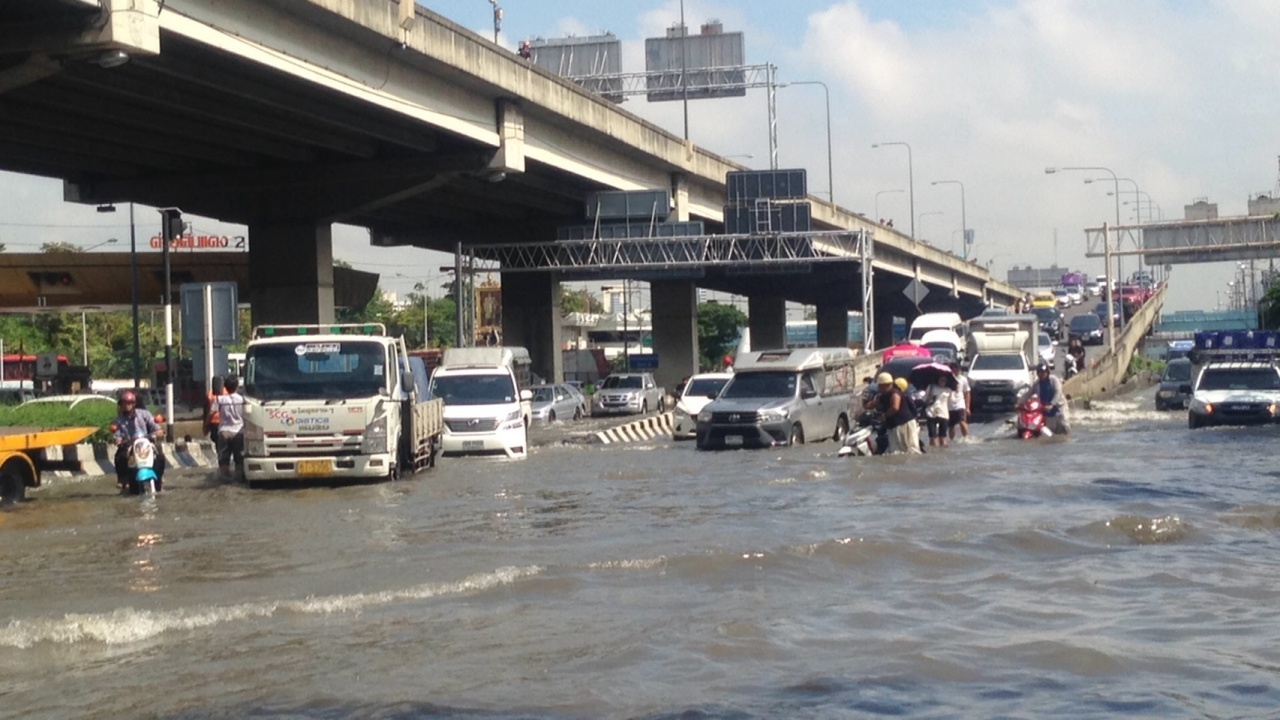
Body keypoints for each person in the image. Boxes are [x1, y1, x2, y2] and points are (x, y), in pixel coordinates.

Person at [112, 389, 167, 493]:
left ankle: (159, 476)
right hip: (129, 446)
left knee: (160, 454)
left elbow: (154, 425)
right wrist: (118, 440)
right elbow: (117, 434)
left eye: (130, 403)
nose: (127, 405)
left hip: (146, 443)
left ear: (134, 404)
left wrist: (158, 431)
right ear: (121, 405)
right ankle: (123, 480)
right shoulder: (119, 420)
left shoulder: (144, 414)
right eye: (125, 403)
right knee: (119, 457)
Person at [864, 372, 920, 455]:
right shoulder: (883, 395)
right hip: (894, 425)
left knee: (906, 450)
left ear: (886, 385)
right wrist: (864, 405)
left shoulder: (894, 393)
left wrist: (884, 416)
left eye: (880, 385)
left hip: (903, 424)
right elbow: (873, 404)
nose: (879, 387)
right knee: (897, 451)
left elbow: (895, 407)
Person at [1023, 362, 1070, 435]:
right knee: (1050, 431)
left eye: (1044, 372)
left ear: (1047, 372)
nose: (1042, 374)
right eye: (1040, 372)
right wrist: (1019, 403)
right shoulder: (1037, 384)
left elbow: (1058, 392)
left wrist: (1052, 404)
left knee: (1064, 426)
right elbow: (1028, 394)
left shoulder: (1054, 380)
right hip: (1046, 409)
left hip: (1059, 407)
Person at [214, 375, 247, 479]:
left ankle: (224, 481)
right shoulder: (242, 400)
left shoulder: (219, 400)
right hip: (239, 432)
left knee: (223, 461)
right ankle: (237, 480)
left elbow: (212, 413)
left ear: (225, 387)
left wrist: (207, 426)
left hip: (224, 432)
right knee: (239, 461)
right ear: (237, 386)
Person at [924, 374, 954, 448]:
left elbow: (951, 401)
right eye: (941, 380)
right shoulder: (931, 387)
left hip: (943, 414)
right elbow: (925, 399)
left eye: (944, 381)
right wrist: (929, 398)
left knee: (942, 437)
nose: (942, 382)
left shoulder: (949, 390)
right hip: (931, 413)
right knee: (933, 437)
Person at [947, 361, 971, 441]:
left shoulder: (963, 379)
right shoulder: (947, 379)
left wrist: (967, 407)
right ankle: (952, 440)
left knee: (962, 421)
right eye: (953, 370)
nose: (955, 371)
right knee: (951, 425)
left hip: (960, 403)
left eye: (957, 369)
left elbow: (967, 392)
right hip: (949, 404)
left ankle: (966, 438)